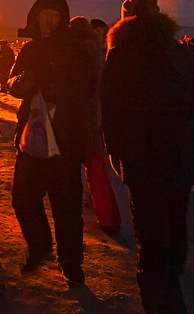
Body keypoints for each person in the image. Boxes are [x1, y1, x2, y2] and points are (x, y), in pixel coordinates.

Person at [101, 0, 194, 314]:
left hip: (143, 150)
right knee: (176, 219)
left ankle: (159, 296)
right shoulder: (179, 51)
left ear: (127, 15)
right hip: (181, 149)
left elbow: (110, 107)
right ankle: (171, 279)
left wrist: (115, 150)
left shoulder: (120, 53)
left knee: (149, 228)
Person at [8, 0, 98, 286]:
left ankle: (71, 264)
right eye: (42, 15)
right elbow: (11, 81)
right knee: (22, 198)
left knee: (66, 207)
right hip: (32, 139)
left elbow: (84, 89)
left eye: (54, 15)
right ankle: (40, 244)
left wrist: (45, 84)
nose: (47, 21)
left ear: (62, 19)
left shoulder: (76, 50)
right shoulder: (31, 48)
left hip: (64, 141)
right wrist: (18, 83)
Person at [70, 15, 122, 235]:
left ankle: (73, 216)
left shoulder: (71, 56)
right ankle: (109, 218)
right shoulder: (102, 56)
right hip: (98, 120)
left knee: (70, 173)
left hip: (75, 120)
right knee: (97, 171)